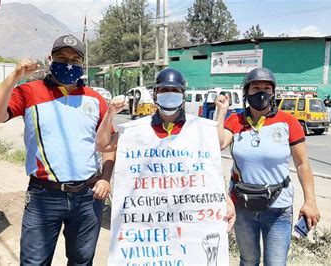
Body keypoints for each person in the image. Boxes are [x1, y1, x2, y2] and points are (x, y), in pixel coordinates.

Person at [0, 34, 115, 265]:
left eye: (75, 59)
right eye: (62, 57)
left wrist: (105, 178)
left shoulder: (95, 99)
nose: (68, 63)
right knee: (34, 262)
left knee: (82, 261)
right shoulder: (28, 92)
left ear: (82, 64)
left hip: (87, 196)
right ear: (50, 58)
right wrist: (15, 76)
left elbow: (109, 144)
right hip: (44, 196)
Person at [95, 68, 236, 254]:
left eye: (175, 91)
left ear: (183, 95)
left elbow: (206, 173)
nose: (170, 94)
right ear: (155, 94)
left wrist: (224, 200)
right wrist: (110, 114)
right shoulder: (136, 131)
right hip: (148, 221)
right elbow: (103, 145)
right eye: (164, 90)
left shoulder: (198, 129)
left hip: (188, 219)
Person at [215, 67, 320, 265]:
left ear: (273, 93)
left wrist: (310, 201)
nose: (261, 92)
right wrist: (221, 113)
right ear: (246, 92)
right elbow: (218, 144)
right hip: (243, 206)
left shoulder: (288, 122)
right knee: (249, 260)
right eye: (255, 88)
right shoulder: (236, 120)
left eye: (266, 88)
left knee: (275, 263)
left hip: (278, 208)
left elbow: (302, 164)